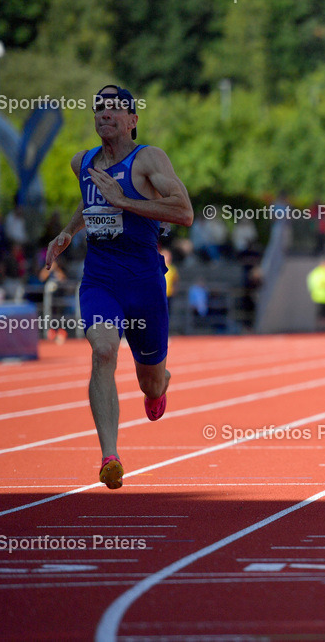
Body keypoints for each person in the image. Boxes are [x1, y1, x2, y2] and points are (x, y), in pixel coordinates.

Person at [45, 85, 193, 490]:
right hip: (101, 279)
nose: (105, 114)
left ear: (132, 120)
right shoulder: (82, 162)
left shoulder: (148, 159)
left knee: (150, 381)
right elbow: (90, 202)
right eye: (99, 108)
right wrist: (68, 231)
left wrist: (124, 200)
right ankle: (110, 456)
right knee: (104, 350)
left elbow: (184, 212)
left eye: (114, 108)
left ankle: (159, 386)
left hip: (144, 283)